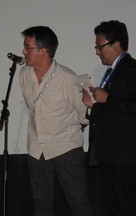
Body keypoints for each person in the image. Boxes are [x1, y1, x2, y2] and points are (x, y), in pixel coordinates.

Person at [19, 26, 93, 216]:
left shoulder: (67, 78)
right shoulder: (24, 75)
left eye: (28, 47)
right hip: (37, 148)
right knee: (41, 204)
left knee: (78, 202)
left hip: (65, 147)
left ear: (43, 50)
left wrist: (73, 128)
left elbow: (83, 114)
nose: (23, 52)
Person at [83, 20, 136, 215]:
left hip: (125, 159)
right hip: (110, 157)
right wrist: (93, 106)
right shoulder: (112, 71)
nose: (97, 51)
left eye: (99, 46)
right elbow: (111, 111)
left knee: (126, 207)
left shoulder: (131, 70)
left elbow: (132, 111)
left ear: (116, 44)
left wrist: (107, 98)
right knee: (113, 207)